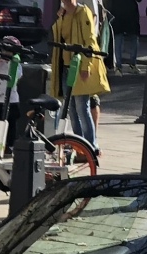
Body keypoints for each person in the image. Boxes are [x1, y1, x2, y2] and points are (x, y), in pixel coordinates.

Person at [50, 0, 110, 150]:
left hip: (79, 65)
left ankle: (90, 145)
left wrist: (86, 66)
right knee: (71, 108)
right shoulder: (63, 14)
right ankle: (79, 143)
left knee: (82, 107)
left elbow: (90, 40)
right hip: (65, 66)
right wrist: (61, 17)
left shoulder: (83, 12)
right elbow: (59, 35)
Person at [0, 37, 22, 152]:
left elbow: (18, 75)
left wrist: (9, 62)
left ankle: (10, 144)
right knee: (2, 120)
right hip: (1, 98)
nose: (5, 54)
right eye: (4, 51)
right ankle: (0, 141)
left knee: (11, 123)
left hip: (12, 99)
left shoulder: (15, 63)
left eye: (8, 51)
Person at [110, 0, 142, 72]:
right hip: (123, 12)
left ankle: (124, 66)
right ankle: (122, 66)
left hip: (124, 13)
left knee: (126, 38)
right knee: (120, 38)